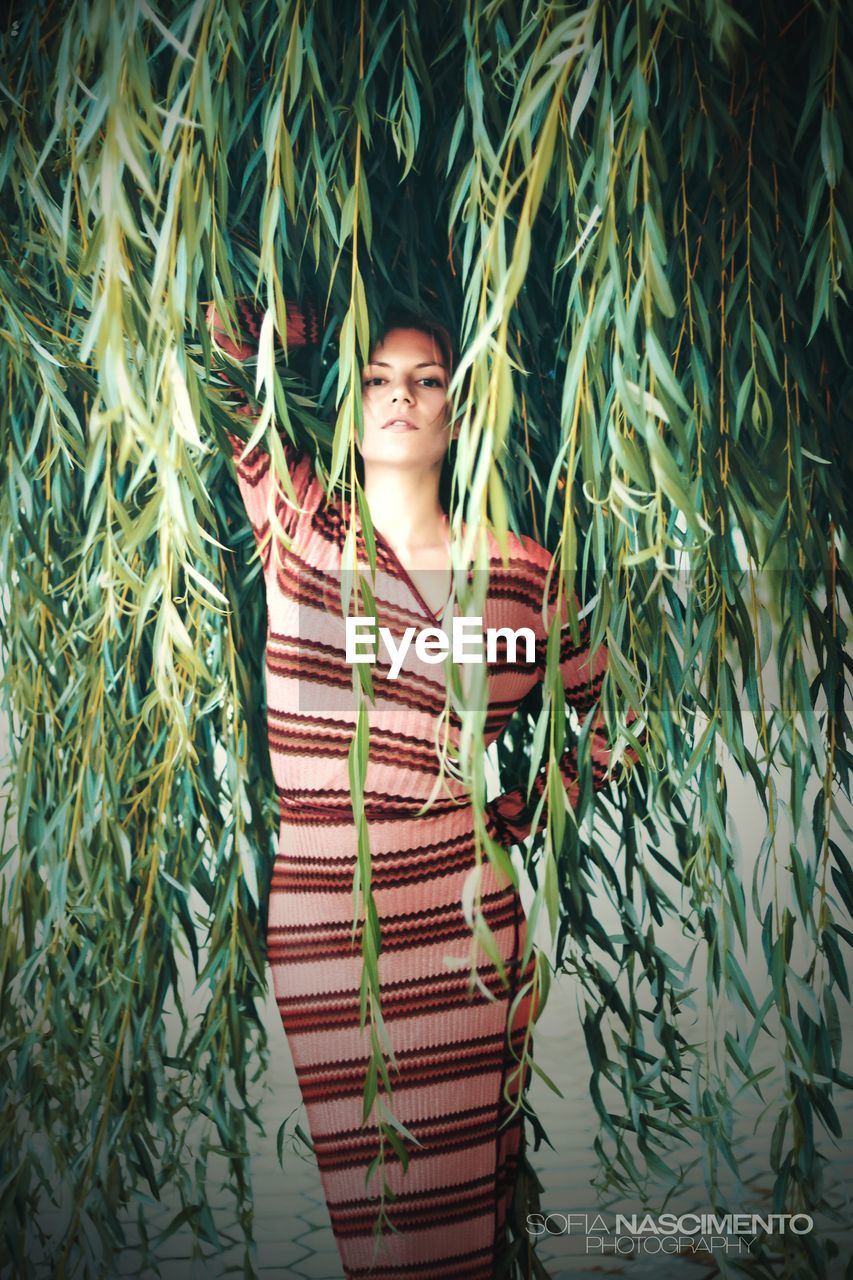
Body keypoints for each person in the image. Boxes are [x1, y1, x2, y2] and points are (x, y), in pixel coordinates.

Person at [207, 297, 615, 1280]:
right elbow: (225, 363)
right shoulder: (301, 529)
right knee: (377, 1225)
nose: (399, 395)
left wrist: (515, 817)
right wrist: (297, 325)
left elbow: (608, 719)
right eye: (378, 378)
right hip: (325, 924)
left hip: (463, 924)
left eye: (425, 379)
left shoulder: (518, 575)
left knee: (460, 1224)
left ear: (458, 410)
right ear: (350, 406)